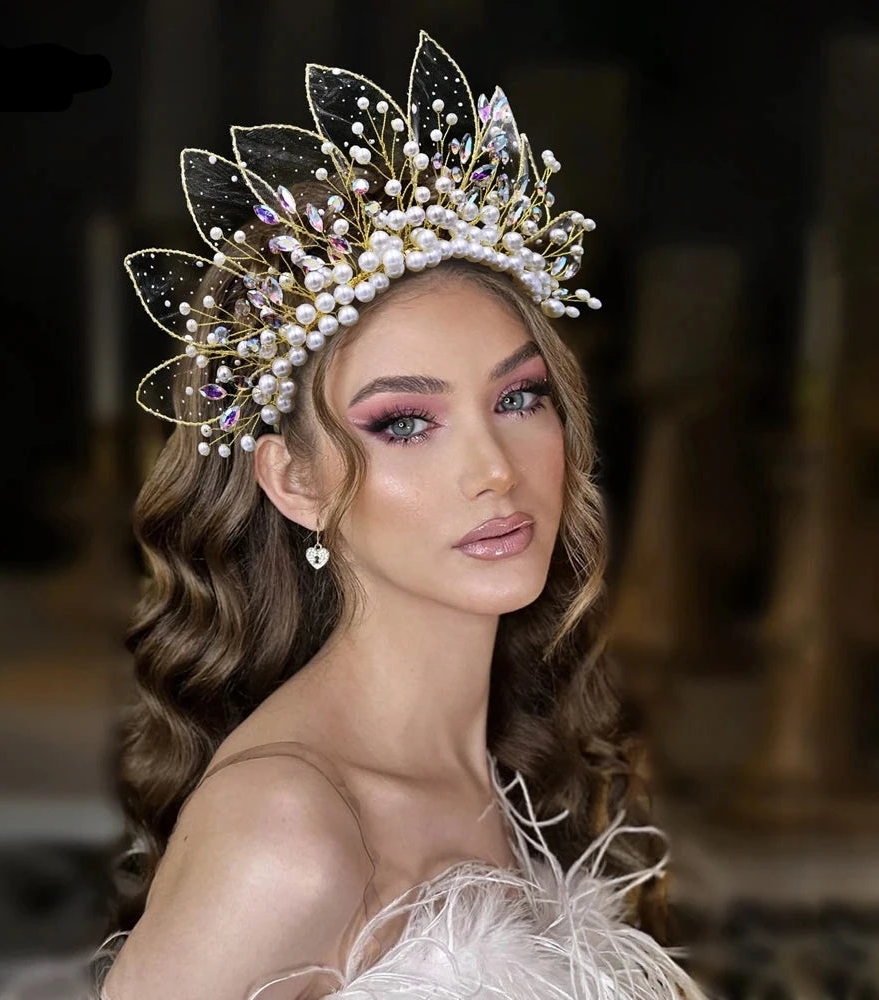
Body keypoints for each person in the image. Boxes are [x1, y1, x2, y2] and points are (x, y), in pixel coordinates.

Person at [92, 29, 708, 1000]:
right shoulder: (287, 832)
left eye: (518, 398)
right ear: (293, 481)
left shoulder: (520, 774)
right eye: (405, 422)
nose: (494, 470)